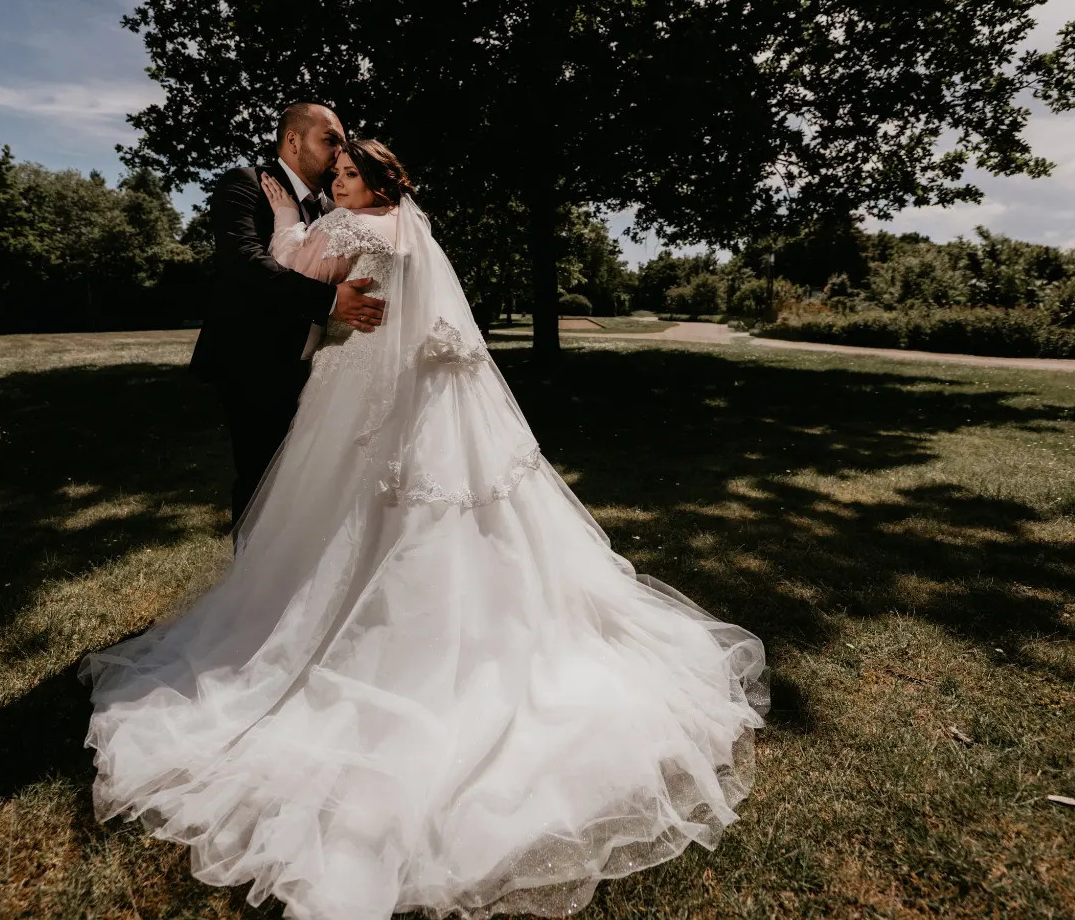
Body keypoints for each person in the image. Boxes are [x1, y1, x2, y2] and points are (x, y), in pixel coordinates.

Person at [83, 139, 768, 920]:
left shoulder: (343, 230)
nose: (335, 185)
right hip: (428, 391)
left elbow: (294, 270)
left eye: (347, 176)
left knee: (351, 514)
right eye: (333, 174)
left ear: (372, 183)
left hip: (365, 386)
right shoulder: (414, 222)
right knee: (452, 513)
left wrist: (284, 219)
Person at [188, 101, 386, 524]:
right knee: (261, 479)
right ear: (293, 140)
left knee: (307, 482)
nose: (339, 152)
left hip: (316, 363)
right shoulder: (244, 184)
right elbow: (245, 261)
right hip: (252, 360)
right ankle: (252, 586)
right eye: (329, 139)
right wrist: (331, 301)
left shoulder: (334, 203)